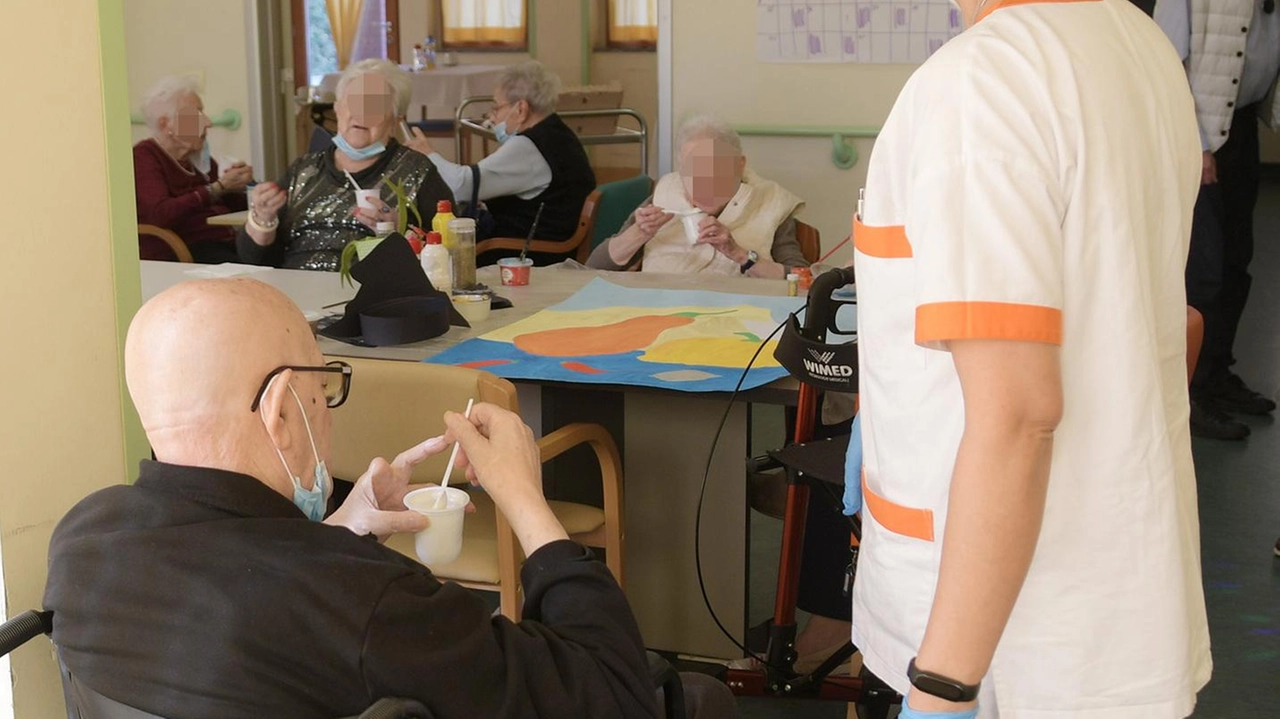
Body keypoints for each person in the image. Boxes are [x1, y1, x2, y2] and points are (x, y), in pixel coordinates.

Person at [43, 278, 738, 719]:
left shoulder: (83, 539)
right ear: (282, 410)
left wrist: (340, 530)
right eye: (325, 386)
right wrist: (526, 500)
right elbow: (608, 693)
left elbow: (244, 608)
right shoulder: (369, 606)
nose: (329, 409)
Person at [850, 1, 1209, 717]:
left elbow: (1019, 415)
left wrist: (942, 690)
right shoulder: (1138, 45)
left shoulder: (982, 81)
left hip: (1004, 648)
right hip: (1116, 603)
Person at [1154, 0, 1280, 440]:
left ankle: (1216, 376)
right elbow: (1163, 58)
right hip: (1200, 136)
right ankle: (1186, 393)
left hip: (1241, 124)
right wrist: (1197, 143)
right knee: (1202, 273)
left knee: (1236, 263)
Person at [238, 59, 453, 271]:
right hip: (297, 293)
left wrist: (400, 232)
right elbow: (255, 260)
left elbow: (450, 254)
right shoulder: (304, 169)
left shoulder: (416, 171)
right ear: (337, 109)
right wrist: (263, 220)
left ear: (395, 122)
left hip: (369, 296)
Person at [405, 61, 596, 248]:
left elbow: (461, 187)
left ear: (521, 109)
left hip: (528, 253)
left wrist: (427, 154)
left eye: (496, 107)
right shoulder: (558, 134)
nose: (492, 116)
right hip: (547, 242)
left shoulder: (527, 147)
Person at [587, 116, 807, 278]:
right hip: (660, 313)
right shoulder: (666, 194)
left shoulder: (769, 202)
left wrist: (739, 254)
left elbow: (801, 278)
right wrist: (639, 233)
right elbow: (594, 268)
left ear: (740, 166)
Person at [134, 76, 253, 263]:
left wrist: (244, 186)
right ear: (167, 125)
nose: (208, 122)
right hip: (186, 250)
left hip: (223, 243)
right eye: (197, 114)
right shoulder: (144, 157)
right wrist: (218, 187)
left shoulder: (196, 156)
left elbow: (228, 204)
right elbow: (160, 214)